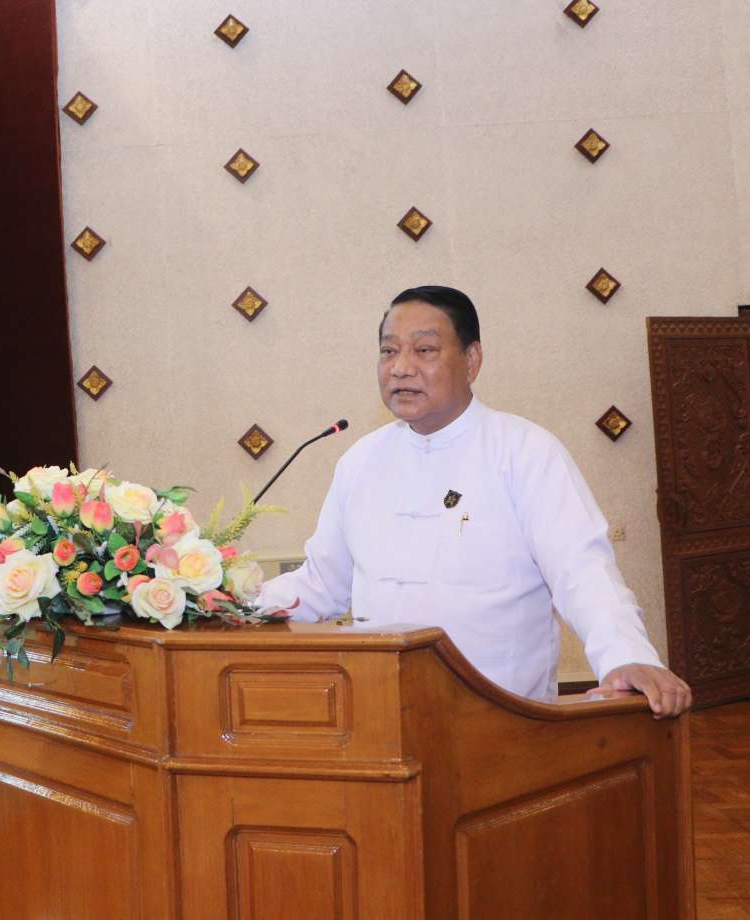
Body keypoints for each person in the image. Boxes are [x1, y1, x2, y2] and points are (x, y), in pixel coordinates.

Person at [257, 286, 692, 717]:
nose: (401, 368)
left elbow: (582, 572)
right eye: (388, 351)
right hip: (383, 714)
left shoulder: (524, 451)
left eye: (424, 350)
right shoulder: (360, 460)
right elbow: (321, 583)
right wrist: (234, 604)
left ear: (471, 360)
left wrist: (626, 655)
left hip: (503, 716)